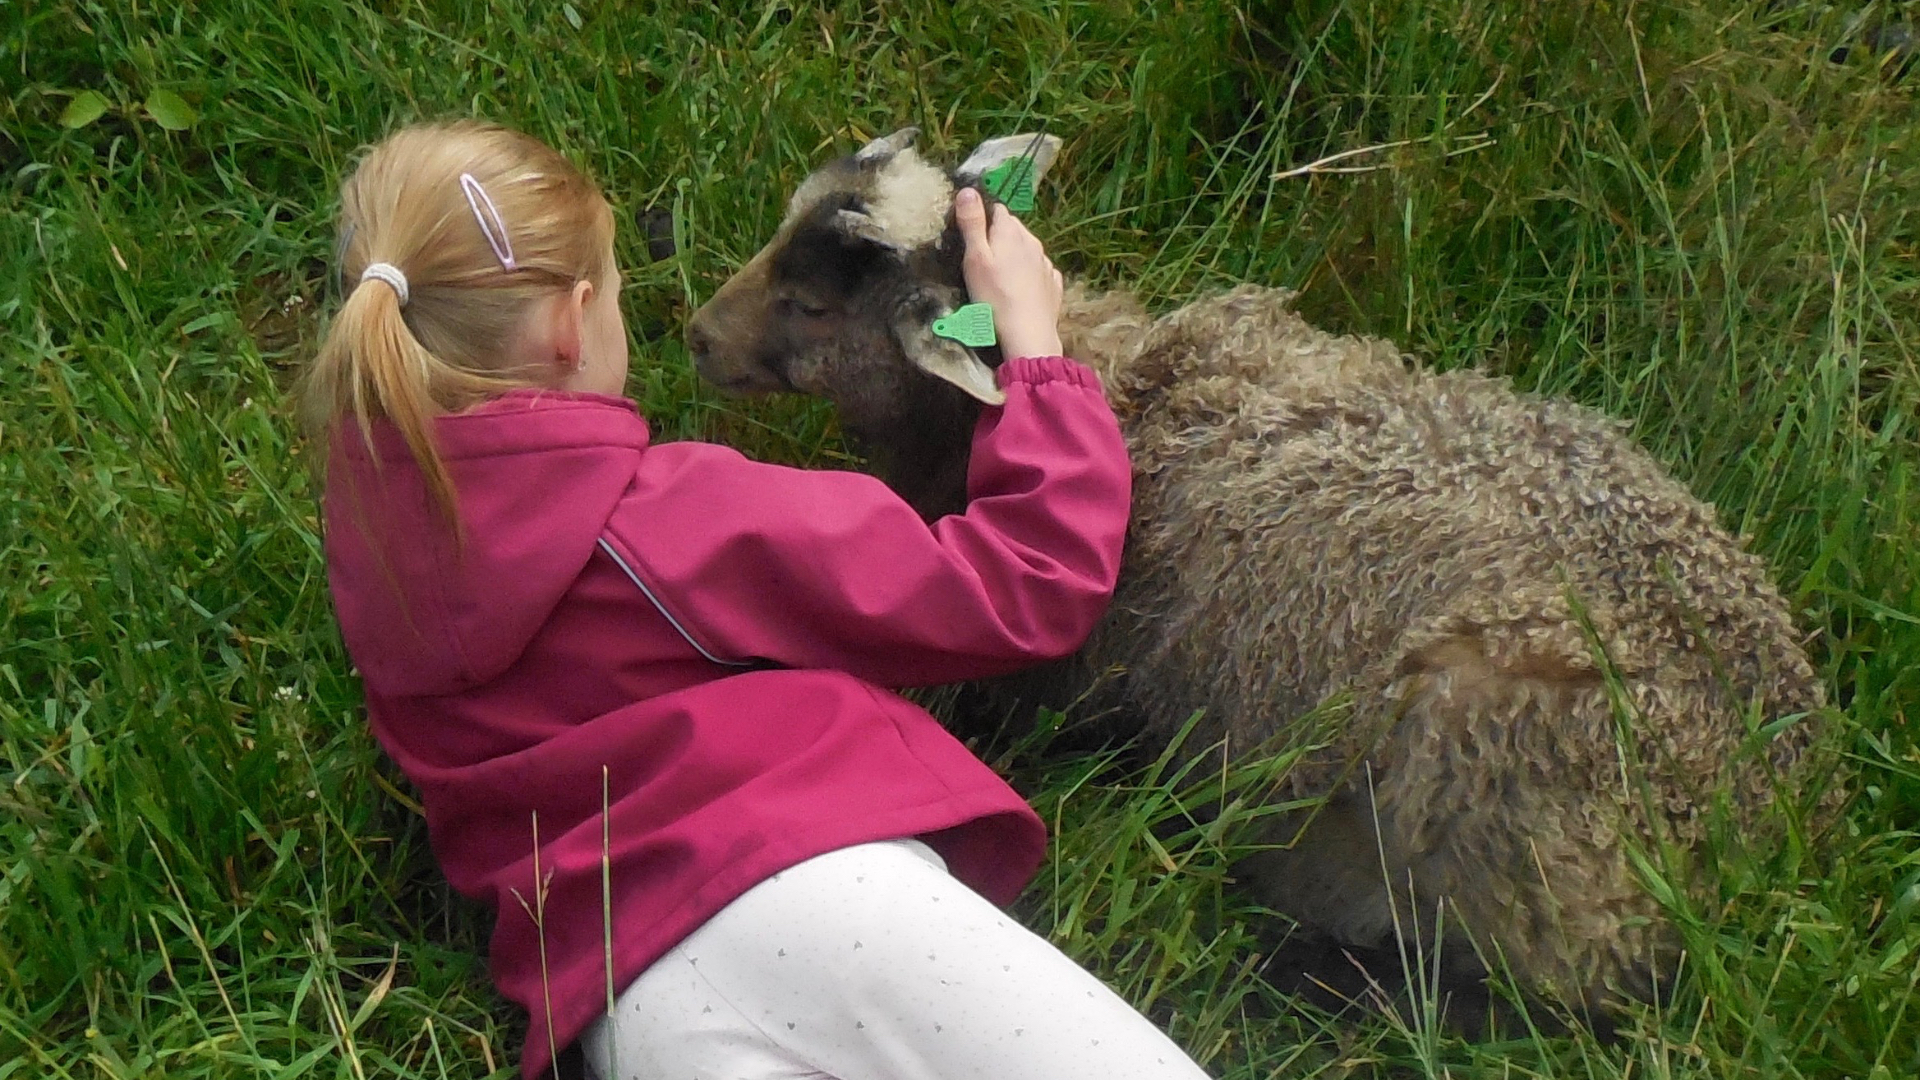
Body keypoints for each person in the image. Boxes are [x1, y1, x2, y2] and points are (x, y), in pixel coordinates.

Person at [308, 119, 1211, 1080]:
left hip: (624, 1008)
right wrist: (1036, 353)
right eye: (617, 291)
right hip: (818, 901)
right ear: (575, 323)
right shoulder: (676, 519)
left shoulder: (369, 550)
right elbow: (1030, 582)